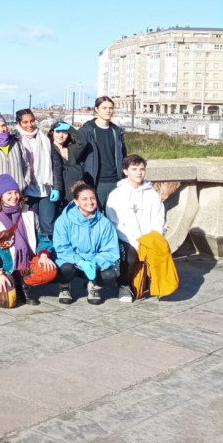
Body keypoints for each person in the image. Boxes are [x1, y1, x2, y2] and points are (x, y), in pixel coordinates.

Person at [0, 174, 56, 307]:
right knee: (7, 301)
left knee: (48, 271)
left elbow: (41, 237)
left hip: (27, 267)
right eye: (9, 193)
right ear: (1, 196)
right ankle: (7, 282)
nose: (14, 196)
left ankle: (24, 283)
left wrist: (43, 254)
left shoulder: (28, 212)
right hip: (6, 268)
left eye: (16, 192)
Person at [105, 155, 167, 303]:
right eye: (134, 169)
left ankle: (158, 283)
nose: (139, 172)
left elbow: (159, 220)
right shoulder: (116, 195)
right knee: (130, 257)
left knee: (162, 250)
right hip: (126, 238)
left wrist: (153, 239)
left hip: (149, 237)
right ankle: (124, 285)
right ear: (126, 171)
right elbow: (115, 224)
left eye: (142, 169)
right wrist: (134, 242)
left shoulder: (152, 195)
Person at [53, 182, 120, 306]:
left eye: (92, 198)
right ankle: (65, 286)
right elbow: (61, 247)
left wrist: (96, 262)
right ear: (76, 201)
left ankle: (93, 287)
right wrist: (79, 261)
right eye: (84, 199)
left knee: (110, 275)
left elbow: (110, 250)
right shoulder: (63, 221)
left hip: (94, 263)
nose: (89, 202)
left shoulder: (104, 223)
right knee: (66, 269)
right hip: (72, 262)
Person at [14, 109, 56, 240]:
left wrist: (56, 186)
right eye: (25, 122)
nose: (30, 125)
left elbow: (54, 162)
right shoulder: (14, 140)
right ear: (19, 123)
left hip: (45, 187)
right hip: (26, 189)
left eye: (32, 121)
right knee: (31, 224)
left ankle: (50, 253)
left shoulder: (44, 139)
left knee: (48, 224)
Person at [79, 96, 127, 205]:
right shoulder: (86, 131)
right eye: (104, 108)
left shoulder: (117, 131)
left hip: (115, 181)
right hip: (96, 182)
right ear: (96, 109)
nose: (108, 111)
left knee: (116, 218)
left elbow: (123, 156)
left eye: (110, 108)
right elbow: (79, 158)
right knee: (95, 216)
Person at [49, 121, 90, 205]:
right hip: (55, 192)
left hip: (71, 194)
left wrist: (70, 128)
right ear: (52, 133)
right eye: (58, 132)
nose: (61, 135)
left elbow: (82, 142)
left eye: (65, 133)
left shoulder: (71, 150)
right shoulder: (47, 149)